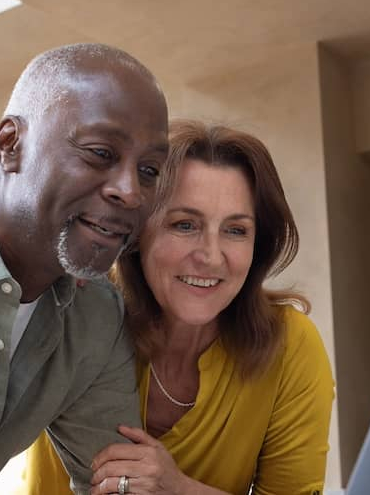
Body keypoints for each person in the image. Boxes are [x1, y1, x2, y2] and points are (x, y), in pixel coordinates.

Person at [25, 120, 334, 495]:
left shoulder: (289, 346)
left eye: (236, 230)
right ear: (138, 232)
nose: (211, 257)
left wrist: (177, 489)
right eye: (184, 224)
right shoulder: (80, 315)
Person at [0, 43, 169, 494]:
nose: (131, 193)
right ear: (9, 145)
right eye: (100, 152)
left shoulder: (97, 315)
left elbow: (120, 485)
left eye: (150, 170)